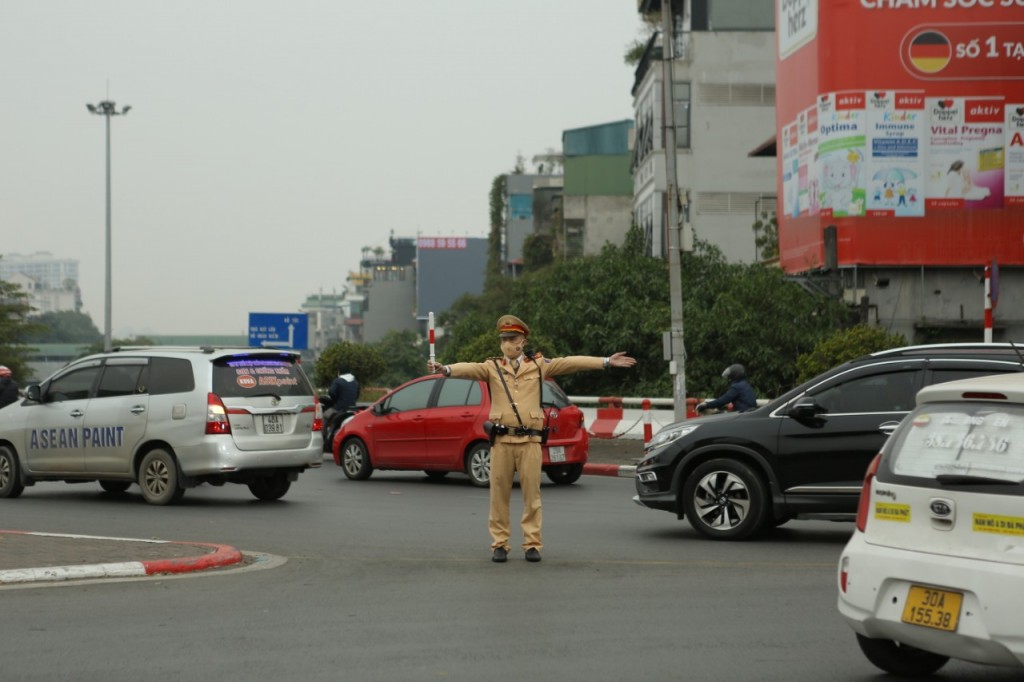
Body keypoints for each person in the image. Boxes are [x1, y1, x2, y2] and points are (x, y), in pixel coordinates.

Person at [427, 314, 636, 564]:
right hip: (502, 441)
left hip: (530, 442)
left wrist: (605, 361)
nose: (507, 343)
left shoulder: (538, 366)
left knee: (532, 496)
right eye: (504, 339)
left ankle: (532, 544)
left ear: (523, 341)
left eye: (512, 338)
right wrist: (446, 369)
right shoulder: (492, 367)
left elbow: (570, 362)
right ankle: (500, 544)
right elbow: (468, 368)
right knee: (498, 495)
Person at [323, 367, 360, 436]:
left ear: (339, 372)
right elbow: (357, 395)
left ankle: (324, 437)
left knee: (325, 415)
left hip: (339, 409)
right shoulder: (355, 382)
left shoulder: (338, 381)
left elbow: (331, 393)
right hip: (352, 409)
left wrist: (335, 399)